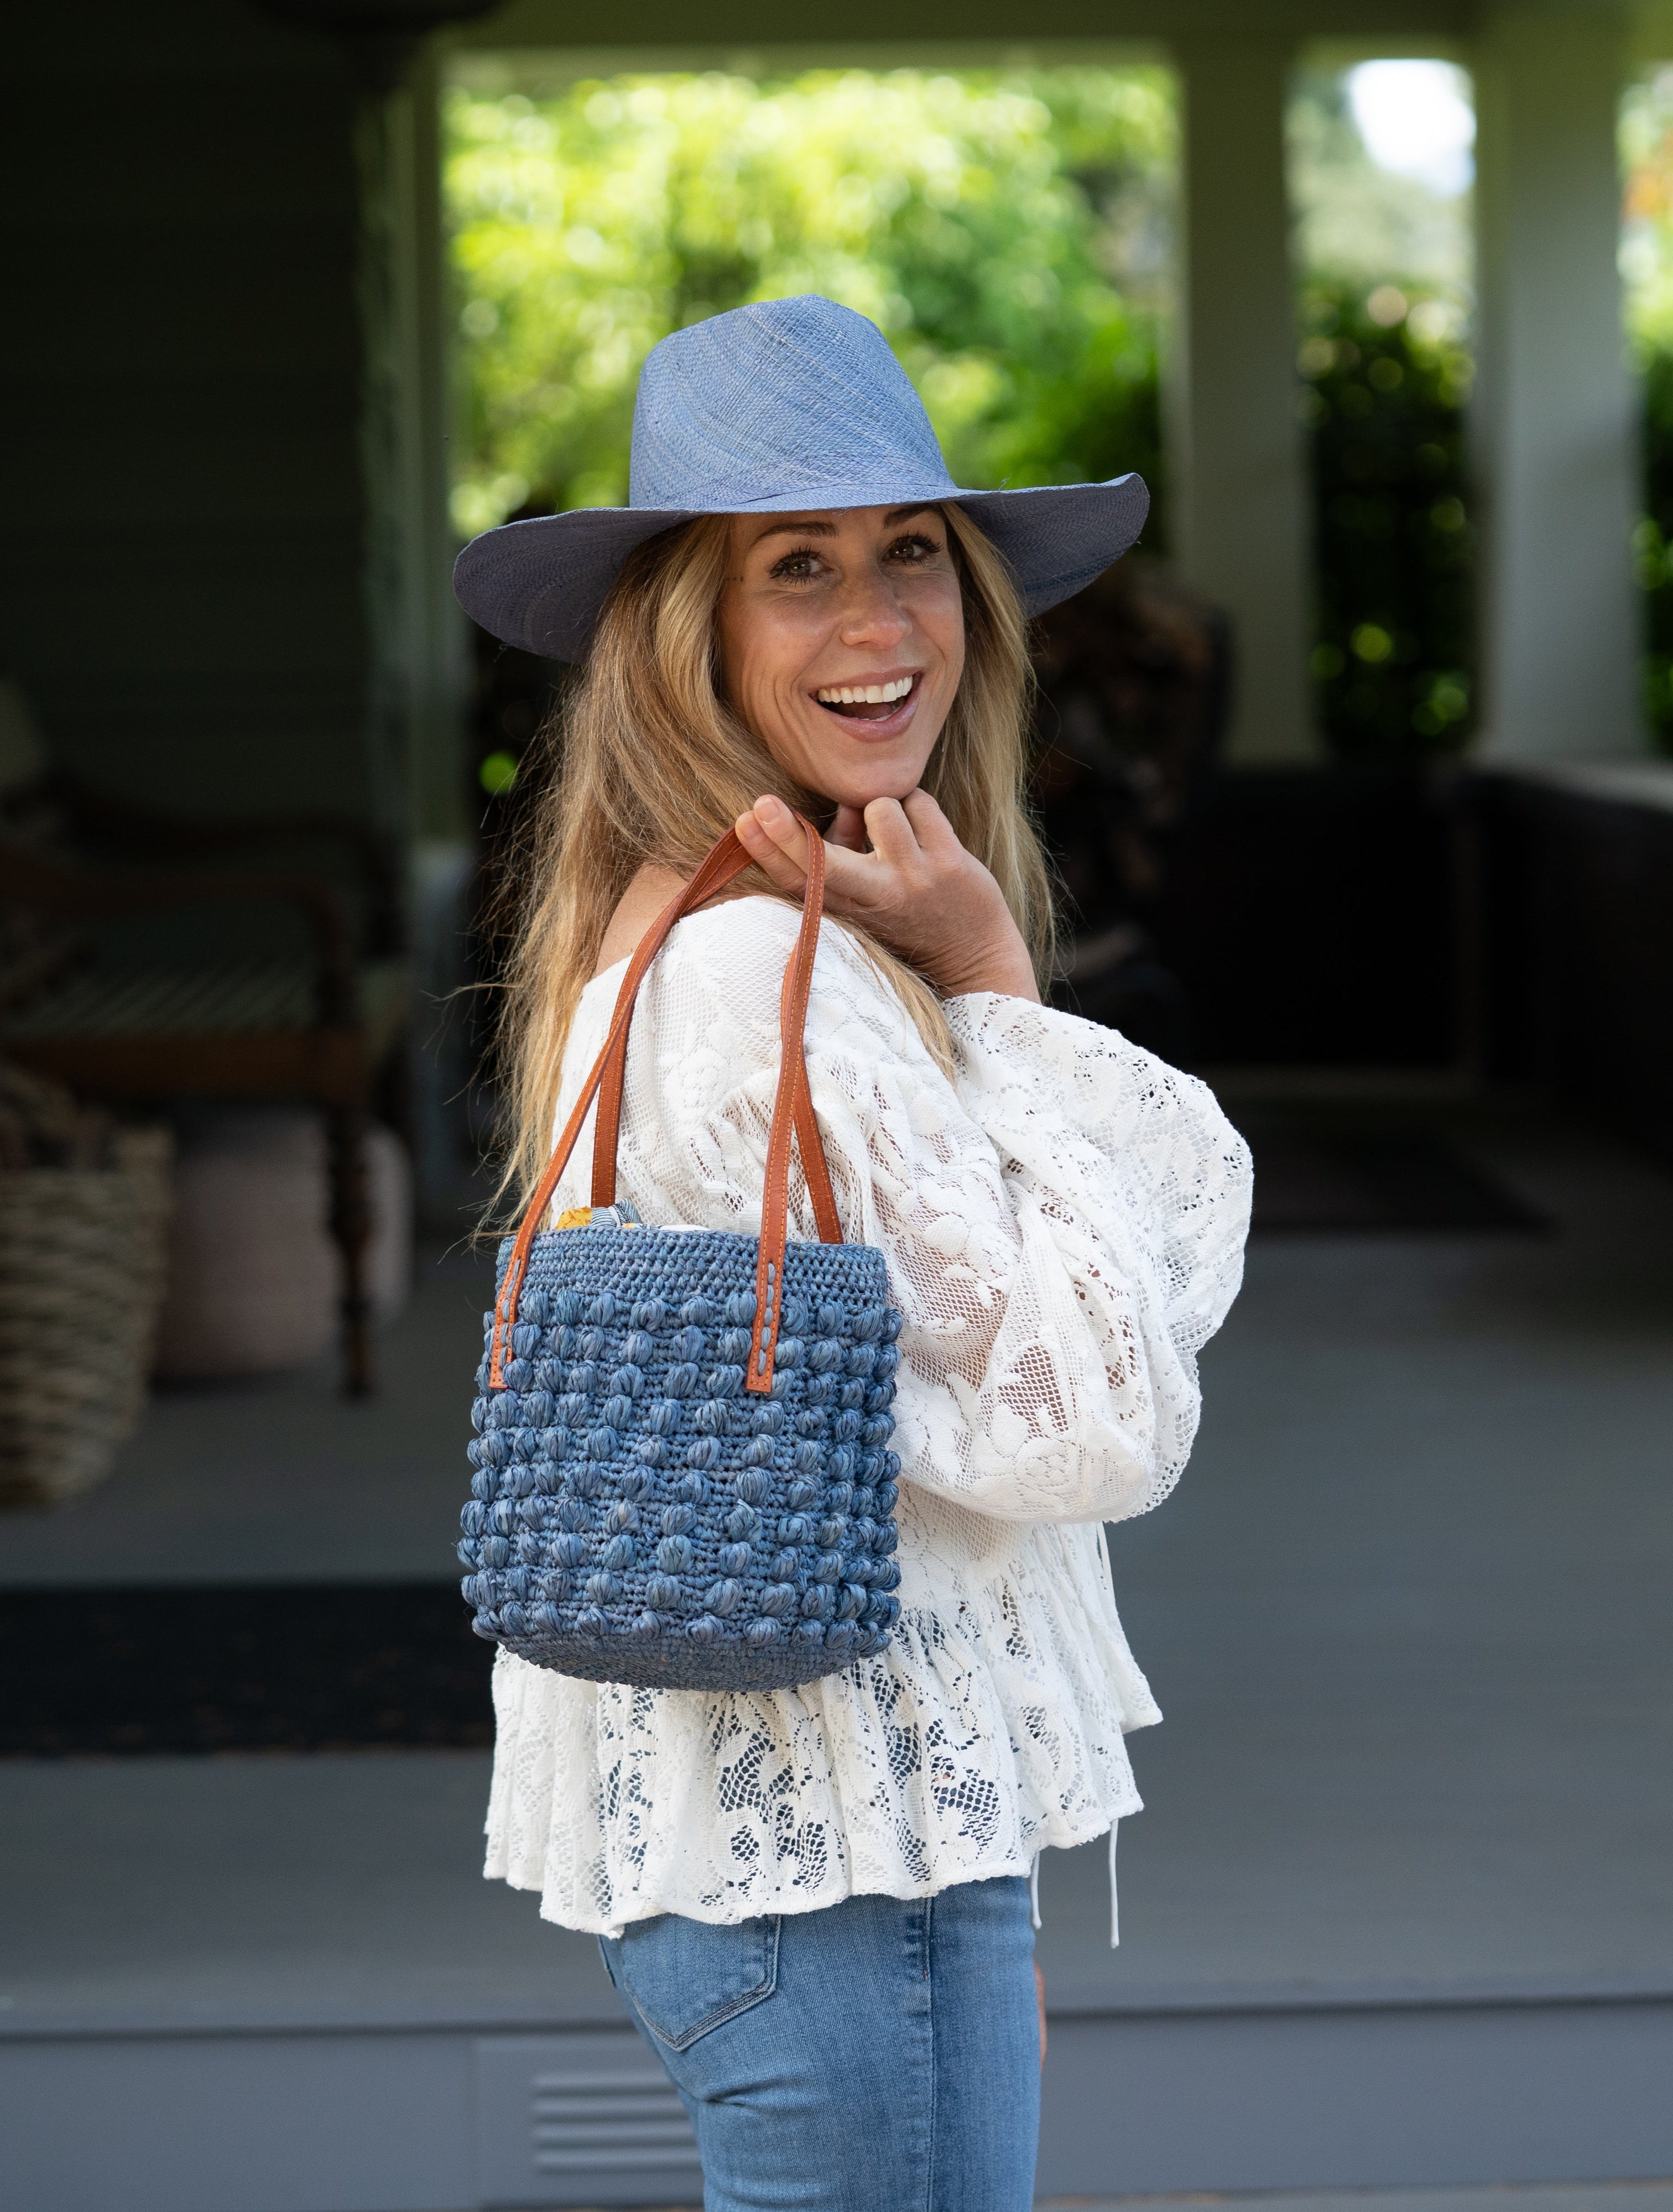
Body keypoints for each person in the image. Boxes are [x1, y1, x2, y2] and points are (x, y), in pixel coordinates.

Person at [454, 294, 1252, 2212]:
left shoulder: (714, 918)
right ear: (690, 636)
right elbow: (1087, 1423)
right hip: (834, 1873)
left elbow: (1040, 1349)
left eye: (914, 555)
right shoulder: (755, 972)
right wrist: (995, 981)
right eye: (795, 570)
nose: (878, 623)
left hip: (837, 1853)